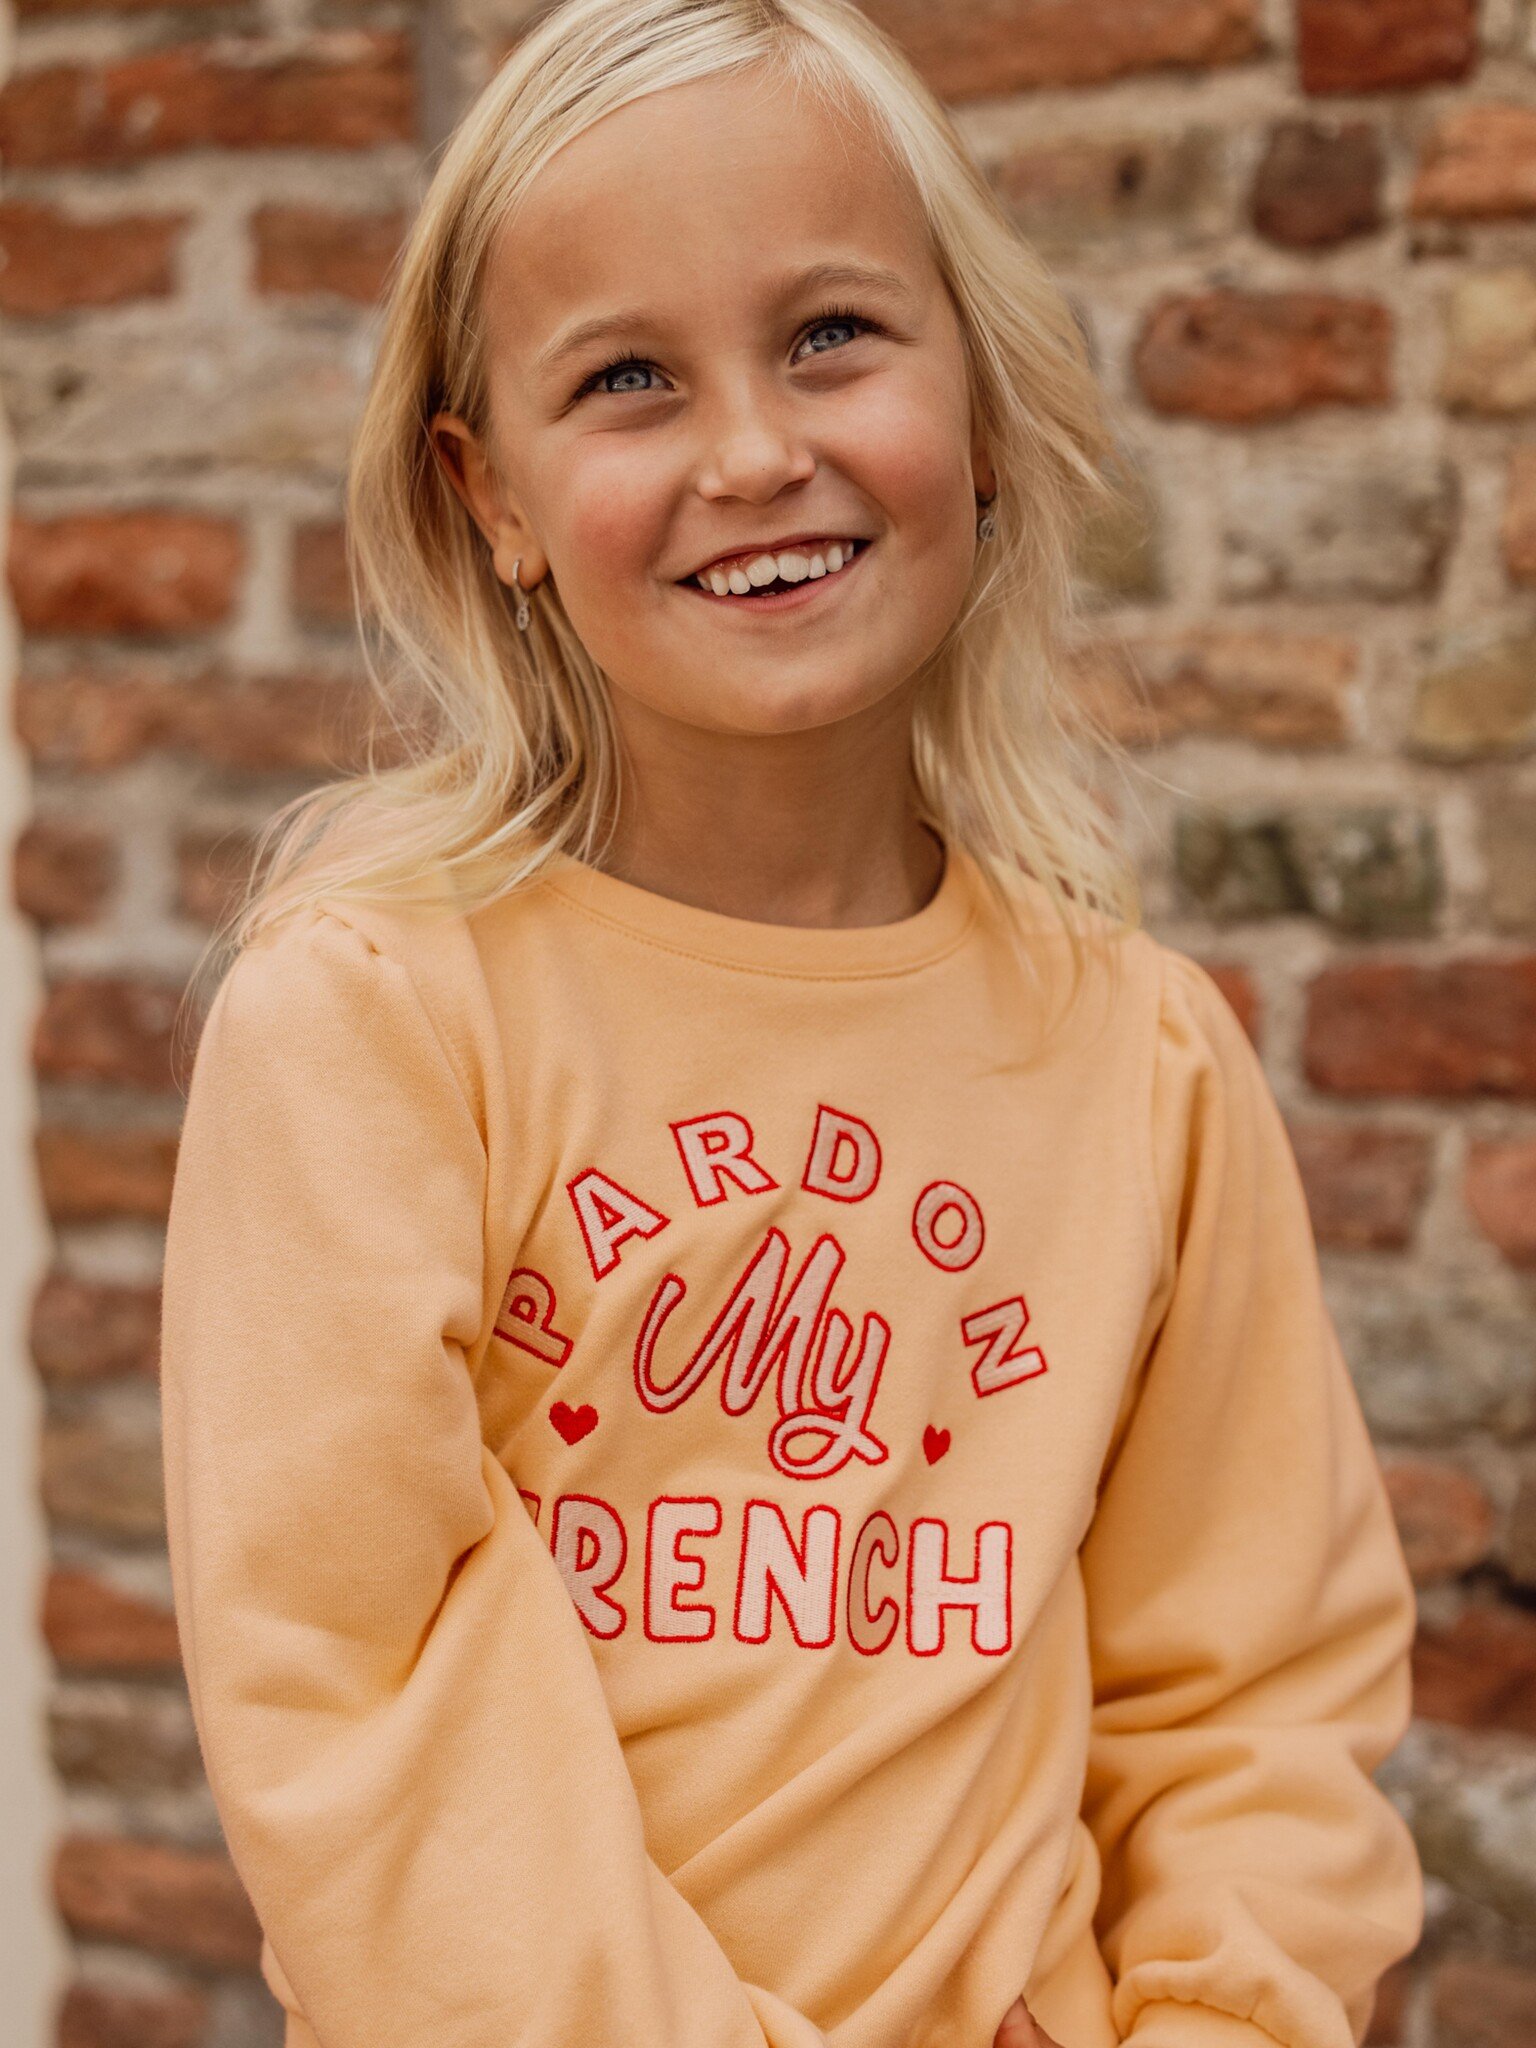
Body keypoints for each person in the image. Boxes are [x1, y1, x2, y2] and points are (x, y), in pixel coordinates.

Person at [157, 1, 1425, 2044]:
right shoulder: (373, 1021)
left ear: (981, 403)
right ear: (490, 496)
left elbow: (1253, 1703)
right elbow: (362, 1707)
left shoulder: (1144, 1060)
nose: (753, 454)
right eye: (628, 378)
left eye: (831, 333)